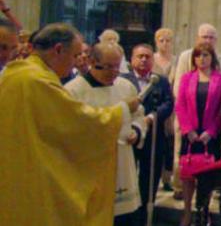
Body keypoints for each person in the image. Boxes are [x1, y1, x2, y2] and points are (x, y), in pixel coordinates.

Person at [0, 23, 140, 226]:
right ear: (57, 50)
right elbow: (79, 124)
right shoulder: (35, 80)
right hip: (29, 178)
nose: (76, 63)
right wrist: (122, 110)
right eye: (74, 56)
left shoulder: (18, 73)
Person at [65, 42, 147, 226]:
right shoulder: (73, 91)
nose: (113, 73)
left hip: (124, 163)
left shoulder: (125, 86)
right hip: (92, 166)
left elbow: (139, 115)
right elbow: (75, 129)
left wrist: (136, 130)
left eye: (117, 67)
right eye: (108, 67)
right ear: (92, 62)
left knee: (124, 217)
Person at [175, 43, 221, 226]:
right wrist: (187, 129)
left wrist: (211, 131)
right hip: (190, 133)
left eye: (205, 55)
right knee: (188, 174)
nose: (201, 59)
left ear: (212, 58)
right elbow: (180, 105)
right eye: (198, 56)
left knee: (207, 175)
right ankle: (188, 212)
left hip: (210, 133)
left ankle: (203, 211)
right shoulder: (186, 78)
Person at [121, 43, 174, 225]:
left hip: (153, 137)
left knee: (149, 177)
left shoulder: (161, 80)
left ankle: (144, 215)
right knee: (127, 174)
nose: (144, 60)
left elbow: (168, 103)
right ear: (131, 59)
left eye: (147, 57)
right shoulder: (123, 80)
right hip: (128, 137)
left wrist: (152, 117)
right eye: (140, 56)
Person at [152, 27, 177, 191]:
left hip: (172, 105)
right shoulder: (152, 59)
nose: (165, 43)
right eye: (162, 40)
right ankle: (154, 174)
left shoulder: (176, 60)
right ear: (156, 42)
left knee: (170, 142)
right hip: (154, 104)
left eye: (168, 40)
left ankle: (167, 177)